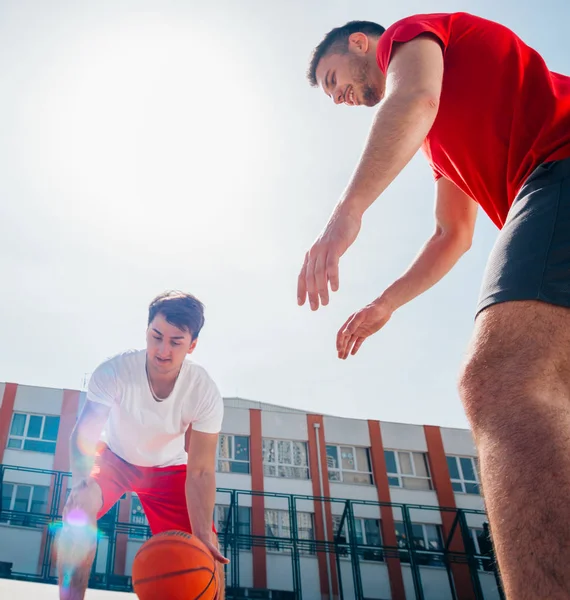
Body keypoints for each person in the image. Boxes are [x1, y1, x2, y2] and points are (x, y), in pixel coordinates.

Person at [299, 12, 570, 600]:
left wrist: (346, 214)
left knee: (504, 380)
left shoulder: (412, 34)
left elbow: (414, 97)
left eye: (332, 79)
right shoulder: (441, 146)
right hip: (550, 188)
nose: (340, 96)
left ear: (361, 44)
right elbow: (453, 234)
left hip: (561, 163)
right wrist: (385, 304)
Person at [56, 291, 228, 600]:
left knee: (207, 550)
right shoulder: (115, 371)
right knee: (77, 511)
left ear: (192, 346)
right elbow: (84, 435)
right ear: (146, 330)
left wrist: (203, 532)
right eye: (156, 336)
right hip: (115, 460)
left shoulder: (203, 390)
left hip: (169, 469)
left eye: (176, 342)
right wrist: (80, 486)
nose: (163, 350)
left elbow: (200, 470)